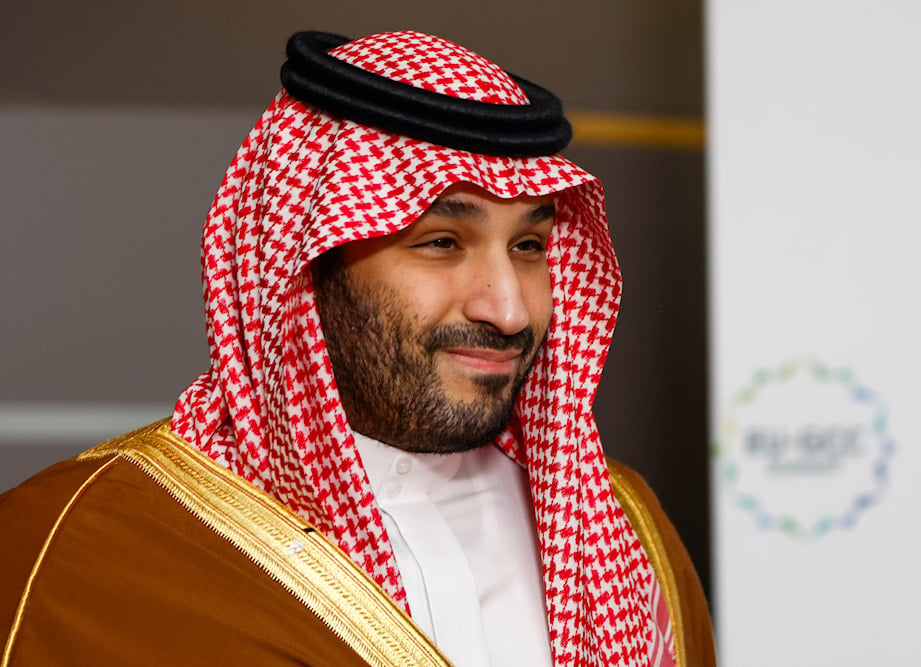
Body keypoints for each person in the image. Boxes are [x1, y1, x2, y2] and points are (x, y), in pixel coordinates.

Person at [0, 30, 714, 666]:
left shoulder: (622, 536)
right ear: (301, 265)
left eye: (529, 246)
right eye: (441, 242)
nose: (507, 307)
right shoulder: (81, 546)